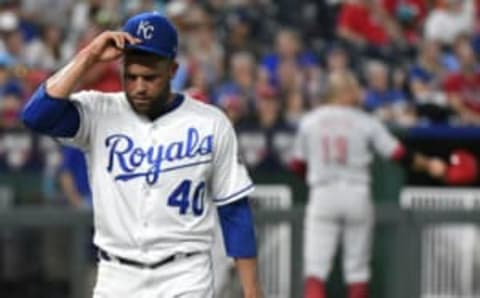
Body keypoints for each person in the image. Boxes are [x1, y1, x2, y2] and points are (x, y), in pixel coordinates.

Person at [21, 12, 262, 298]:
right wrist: (87, 57)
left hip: (184, 275)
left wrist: (252, 291)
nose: (139, 87)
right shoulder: (100, 111)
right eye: (131, 76)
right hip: (117, 276)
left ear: (173, 70)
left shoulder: (210, 122)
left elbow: (235, 210)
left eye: (150, 78)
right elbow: (36, 116)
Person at [289, 71, 447, 298]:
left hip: (323, 193)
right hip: (357, 193)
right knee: (357, 271)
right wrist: (430, 164)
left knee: (316, 270)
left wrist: (317, 173)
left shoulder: (310, 121)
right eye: (354, 88)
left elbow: (297, 165)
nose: (359, 93)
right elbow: (400, 154)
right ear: (343, 92)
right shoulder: (364, 121)